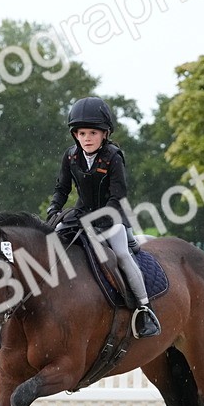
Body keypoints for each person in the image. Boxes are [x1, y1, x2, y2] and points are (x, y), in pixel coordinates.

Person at [47, 96, 160, 339]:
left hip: (112, 217)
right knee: (52, 244)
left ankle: (144, 309)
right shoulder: (70, 157)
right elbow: (62, 188)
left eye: (92, 133)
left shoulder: (113, 157)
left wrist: (98, 219)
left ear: (105, 134)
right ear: (75, 135)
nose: (87, 138)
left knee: (121, 254)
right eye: (82, 133)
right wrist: (54, 210)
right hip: (80, 215)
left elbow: (118, 195)